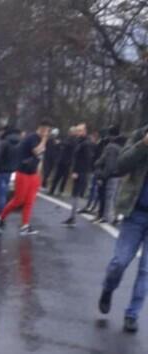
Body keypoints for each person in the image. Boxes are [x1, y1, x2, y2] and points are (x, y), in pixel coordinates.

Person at [98, 126, 148, 333]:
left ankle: (132, 314)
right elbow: (120, 165)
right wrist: (143, 144)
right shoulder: (139, 135)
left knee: (146, 271)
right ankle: (108, 289)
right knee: (119, 262)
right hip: (134, 212)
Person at [0, 121, 52, 236]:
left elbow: (40, 158)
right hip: (23, 173)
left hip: (33, 174)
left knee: (29, 201)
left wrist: (39, 175)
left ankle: (25, 225)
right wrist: (45, 139)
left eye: (48, 131)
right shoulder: (32, 138)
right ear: (41, 128)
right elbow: (37, 151)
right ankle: (0, 218)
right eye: (46, 130)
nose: (47, 133)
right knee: (18, 200)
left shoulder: (39, 139)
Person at [62, 123, 95, 227]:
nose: (77, 132)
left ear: (85, 131)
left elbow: (86, 159)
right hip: (79, 171)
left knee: (76, 194)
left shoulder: (85, 144)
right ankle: (72, 217)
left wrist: (77, 171)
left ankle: (72, 218)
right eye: (77, 130)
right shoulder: (80, 142)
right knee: (75, 194)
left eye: (80, 130)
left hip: (81, 172)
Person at [94, 132, 126, 224]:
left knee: (109, 197)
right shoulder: (121, 148)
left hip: (111, 176)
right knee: (115, 197)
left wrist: (103, 176)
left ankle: (107, 217)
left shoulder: (111, 147)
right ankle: (114, 216)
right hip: (119, 175)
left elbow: (109, 164)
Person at [0, 127, 21, 215]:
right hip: (10, 170)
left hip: (0, 170)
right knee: (4, 191)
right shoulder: (18, 143)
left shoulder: (4, 142)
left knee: (0, 192)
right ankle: (3, 211)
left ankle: (0, 213)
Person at [50, 127, 78, 196]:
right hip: (62, 160)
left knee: (64, 177)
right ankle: (52, 189)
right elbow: (62, 144)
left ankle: (60, 191)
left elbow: (68, 144)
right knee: (57, 176)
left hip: (68, 162)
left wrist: (60, 143)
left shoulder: (74, 140)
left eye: (71, 131)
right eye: (70, 131)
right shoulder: (67, 138)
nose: (70, 132)